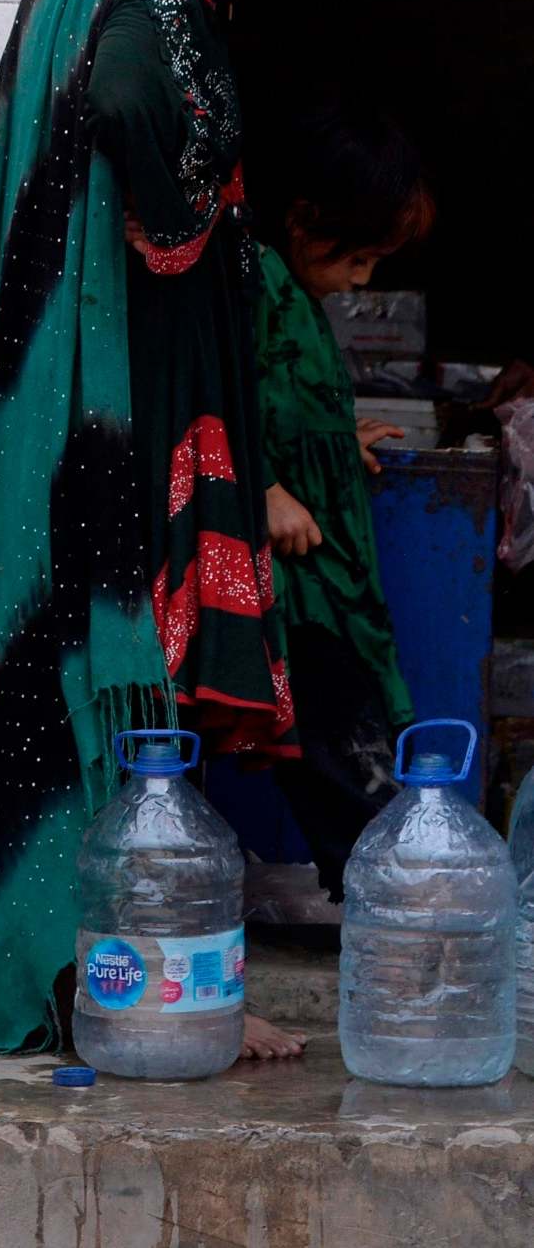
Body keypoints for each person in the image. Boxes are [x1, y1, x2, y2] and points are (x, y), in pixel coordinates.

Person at [0, 0, 307, 1066]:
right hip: (118, 405)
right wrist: (193, 198)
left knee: (76, 674)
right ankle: (126, 990)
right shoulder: (136, 7)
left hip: (74, 399)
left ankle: (111, 984)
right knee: (116, 664)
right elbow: (139, 150)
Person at [250, 108, 433, 902]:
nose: (362, 280)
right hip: (294, 579)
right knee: (332, 743)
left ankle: (382, 898)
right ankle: (389, 905)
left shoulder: (293, 289)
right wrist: (261, 487)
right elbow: (211, 394)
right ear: (302, 220)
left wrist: (331, 436)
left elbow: (280, 396)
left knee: (347, 733)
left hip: (328, 564)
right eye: (357, 257)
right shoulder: (249, 280)